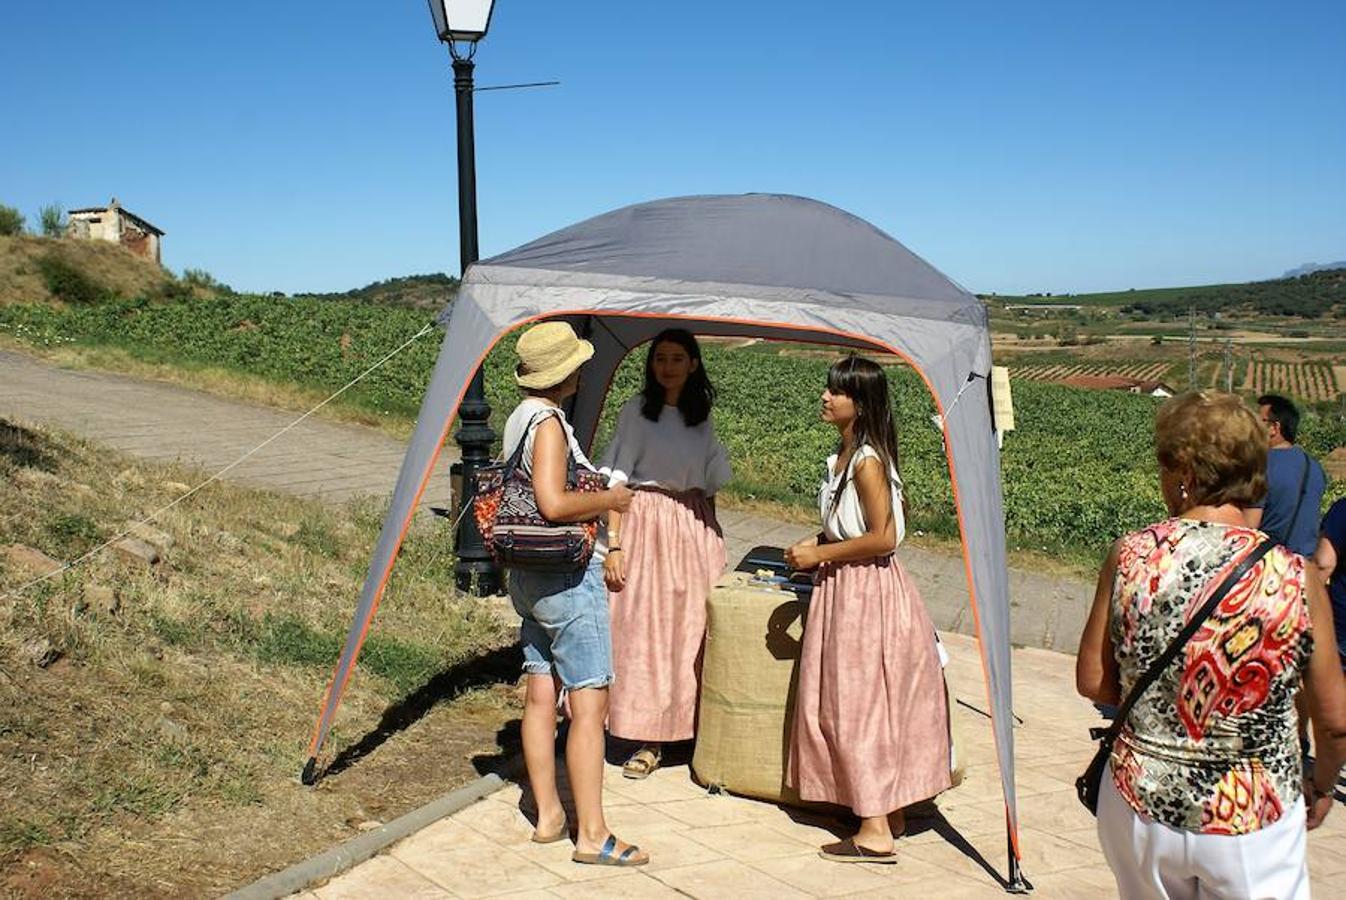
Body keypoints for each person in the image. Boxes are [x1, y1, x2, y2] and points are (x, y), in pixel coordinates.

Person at [1076, 391, 1346, 900]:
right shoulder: (1294, 576)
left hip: (1140, 802)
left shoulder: (1129, 555)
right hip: (1250, 811)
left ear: (1183, 471)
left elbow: (1093, 680)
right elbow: (1334, 720)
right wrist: (1324, 786)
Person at [784, 355, 951, 864]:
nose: (826, 397)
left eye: (838, 392)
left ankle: (875, 828)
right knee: (855, 700)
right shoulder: (845, 456)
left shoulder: (868, 461)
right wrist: (817, 542)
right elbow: (853, 527)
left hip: (865, 594)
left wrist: (820, 555)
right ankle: (884, 810)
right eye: (828, 388)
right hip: (847, 588)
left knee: (858, 704)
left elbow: (883, 538)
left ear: (862, 403)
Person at [502, 321, 647, 867]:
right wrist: (612, 498)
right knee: (589, 703)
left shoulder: (520, 418)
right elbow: (553, 504)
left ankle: (548, 816)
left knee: (541, 695)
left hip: (530, 578)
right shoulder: (548, 427)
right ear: (568, 373)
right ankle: (594, 836)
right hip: (565, 577)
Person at [600, 329, 732, 779]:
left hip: (692, 528)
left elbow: (709, 482)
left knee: (691, 633)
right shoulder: (636, 413)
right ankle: (648, 737)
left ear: (693, 364)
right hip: (647, 525)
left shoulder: (702, 416)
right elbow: (616, 483)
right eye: (660, 358)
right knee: (647, 635)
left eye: (677, 358)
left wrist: (712, 538)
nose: (667, 367)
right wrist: (614, 545)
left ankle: (689, 728)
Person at [1243, 394, 1326, 556]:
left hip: (1268, 565)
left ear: (1274, 428)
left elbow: (1248, 526)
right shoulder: (1315, 467)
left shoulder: (1260, 465)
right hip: (1302, 568)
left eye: (1259, 422)